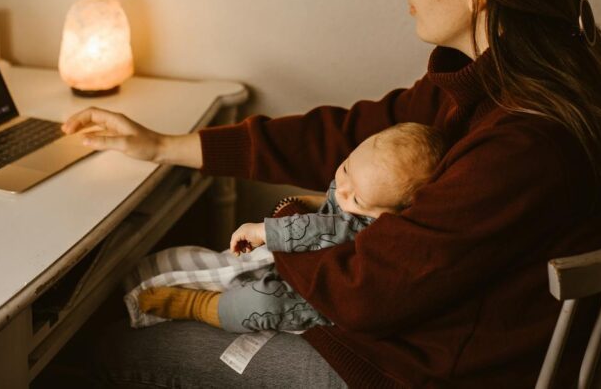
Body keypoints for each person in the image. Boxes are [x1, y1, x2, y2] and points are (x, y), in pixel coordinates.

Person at [61, 0, 601, 388]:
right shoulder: (501, 83)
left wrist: (295, 219)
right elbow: (349, 135)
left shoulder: (525, 141)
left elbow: (364, 293)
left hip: (408, 370)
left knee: (106, 347)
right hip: (412, 342)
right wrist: (163, 144)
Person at [137, 122, 444, 333]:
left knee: (261, 304)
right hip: (296, 264)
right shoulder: (356, 186)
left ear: (391, 213)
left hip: (315, 299)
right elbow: (328, 203)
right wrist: (308, 201)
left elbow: (324, 228)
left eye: (358, 198)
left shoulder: (371, 227)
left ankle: (198, 305)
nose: (343, 190)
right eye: (346, 168)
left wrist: (263, 231)